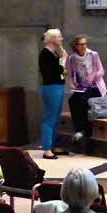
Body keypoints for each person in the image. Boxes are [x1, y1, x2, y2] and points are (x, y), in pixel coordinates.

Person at [65, 36, 107, 144]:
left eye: (85, 44)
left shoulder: (93, 54)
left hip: (95, 86)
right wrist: (73, 84)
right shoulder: (72, 58)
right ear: (76, 46)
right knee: (72, 101)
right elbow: (69, 74)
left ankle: (87, 131)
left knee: (83, 101)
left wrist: (94, 75)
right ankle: (79, 129)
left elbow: (101, 70)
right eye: (81, 44)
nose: (84, 46)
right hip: (82, 87)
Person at [38, 29, 67, 159]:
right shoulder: (45, 54)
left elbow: (59, 71)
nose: (61, 39)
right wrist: (64, 59)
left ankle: (53, 145)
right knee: (50, 118)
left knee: (55, 118)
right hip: (51, 88)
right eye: (59, 36)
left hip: (58, 86)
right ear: (52, 38)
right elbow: (56, 70)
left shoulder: (54, 53)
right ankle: (47, 149)